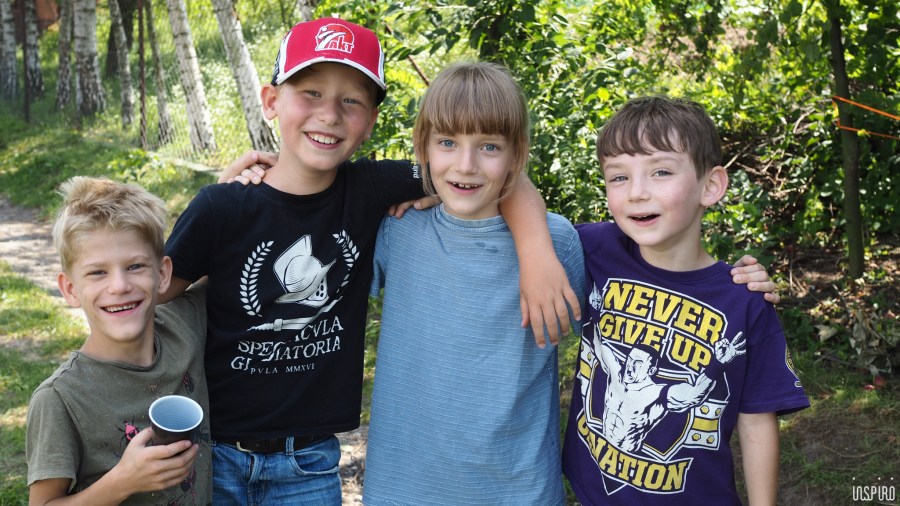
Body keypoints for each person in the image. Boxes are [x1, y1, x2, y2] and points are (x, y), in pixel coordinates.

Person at [160, 17, 578, 504]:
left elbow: (501, 170)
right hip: (222, 454)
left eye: (351, 101)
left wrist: (535, 250)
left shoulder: (374, 193)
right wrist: (230, 200)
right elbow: (154, 293)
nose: (329, 114)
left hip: (316, 463)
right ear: (271, 100)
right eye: (311, 93)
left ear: (371, 120)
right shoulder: (230, 207)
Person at [562, 96, 810, 505]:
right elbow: (513, 216)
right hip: (591, 492)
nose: (636, 192)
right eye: (618, 177)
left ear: (710, 186)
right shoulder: (594, 247)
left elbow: (754, 419)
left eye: (660, 171)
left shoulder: (744, 300)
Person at [361, 61, 585, 505]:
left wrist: (726, 283)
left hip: (518, 492)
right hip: (402, 490)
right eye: (447, 142)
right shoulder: (397, 230)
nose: (465, 165)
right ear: (423, 147)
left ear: (516, 156)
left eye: (489, 146)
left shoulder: (557, 243)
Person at [26, 177, 211, 505]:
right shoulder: (59, 400)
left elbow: (233, 242)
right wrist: (121, 483)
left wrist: (228, 189)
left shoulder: (185, 325)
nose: (119, 286)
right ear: (70, 289)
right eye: (98, 272)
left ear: (162, 274)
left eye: (135, 266)